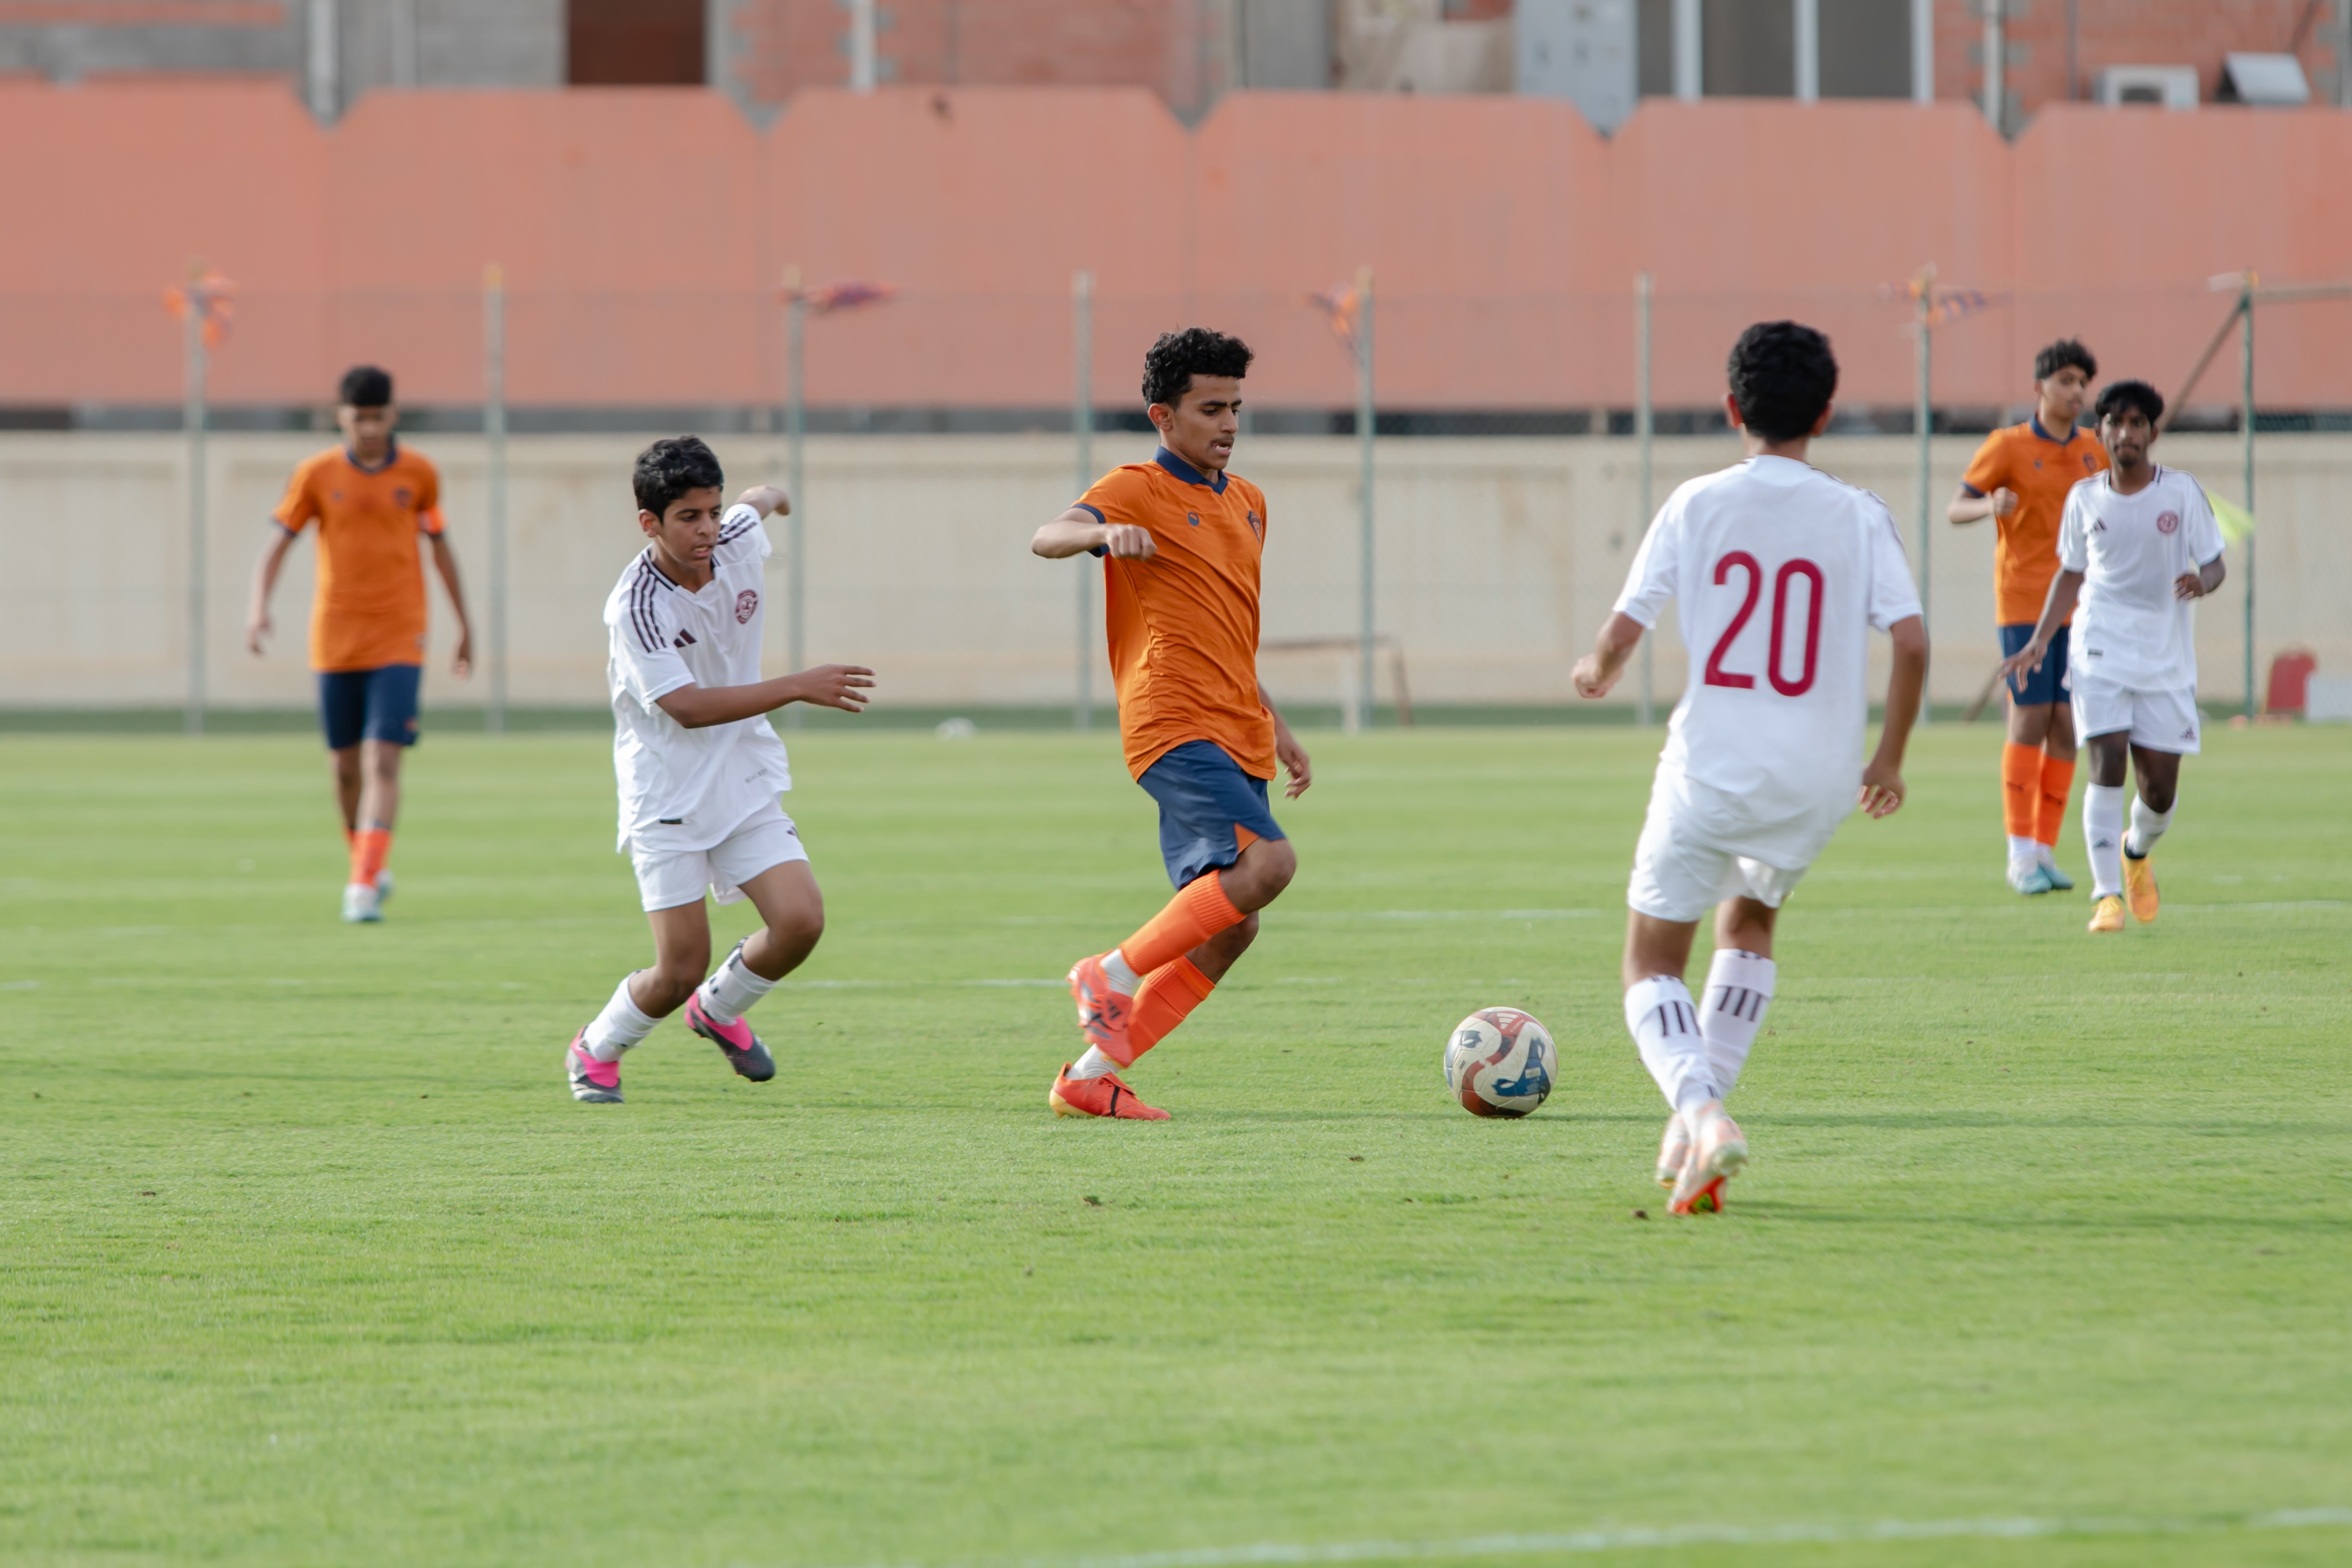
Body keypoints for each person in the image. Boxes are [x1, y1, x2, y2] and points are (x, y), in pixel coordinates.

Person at [1572, 321, 1928, 1215]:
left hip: (1710, 767)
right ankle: (1688, 1135)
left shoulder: (1696, 502)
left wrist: (1595, 668)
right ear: (1825, 413)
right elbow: (1912, 641)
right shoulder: (1859, 513)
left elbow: (1623, 628)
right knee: (1750, 925)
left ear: (1732, 407)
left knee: (1649, 959)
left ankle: (1700, 1110)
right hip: (1816, 779)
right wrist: (1887, 757)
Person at [1028, 328, 1312, 1120]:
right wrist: (1099, 534)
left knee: (1233, 927)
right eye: (1210, 408)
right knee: (1270, 865)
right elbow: (1045, 536)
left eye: (1235, 407)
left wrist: (1274, 722)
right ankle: (1108, 974)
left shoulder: (1249, 502)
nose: (1228, 424)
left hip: (1237, 725)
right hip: (1173, 719)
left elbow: (1226, 628)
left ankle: (1088, 1077)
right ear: (1164, 416)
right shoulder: (1135, 488)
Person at [564, 437, 875, 1105]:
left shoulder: (734, 536)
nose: (707, 528)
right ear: (649, 522)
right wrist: (797, 685)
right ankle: (597, 1046)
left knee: (801, 921)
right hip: (666, 792)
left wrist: (774, 499)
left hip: (741, 776)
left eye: (712, 511)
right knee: (679, 966)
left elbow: (759, 500)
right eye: (688, 517)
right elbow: (686, 707)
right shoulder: (637, 605)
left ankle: (718, 1007)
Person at [246, 365, 473, 922]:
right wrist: (258, 608)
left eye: (378, 417)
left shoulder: (419, 474)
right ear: (340, 416)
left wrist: (465, 625)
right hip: (335, 637)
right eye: (359, 417)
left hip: (400, 634)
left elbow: (440, 547)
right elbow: (277, 545)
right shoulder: (316, 474)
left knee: (383, 758)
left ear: (392, 414)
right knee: (344, 768)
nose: (370, 428)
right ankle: (366, 860)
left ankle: (363, 882)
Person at [1999, 381, 2224, 935]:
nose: (2125, 433)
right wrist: (2040, 639)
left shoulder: (2181, 493)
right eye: (2115, 423)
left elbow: (2215, 561)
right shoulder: (2084, 498)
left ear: (2152, 432)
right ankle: (2106, 896)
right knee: (2106, 763)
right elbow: (2070, 574)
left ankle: (2135, 850)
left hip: (2165, 657)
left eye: (2136, 423)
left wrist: (2203, 581)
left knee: (2159, 792)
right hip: (2098, 647)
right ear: (2099, 432)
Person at [1949, 340, 2109, 895]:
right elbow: (1955, 507)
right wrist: (1986, 506)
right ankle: (2018, 854)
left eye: (2082, 382)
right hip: (2023, 602)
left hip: (2081, 607)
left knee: (2067, 726)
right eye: (2065, 380)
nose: (2076, 391)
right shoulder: (2008, 446)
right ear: (2039, 386)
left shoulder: (2094, 449)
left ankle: (2044, 849)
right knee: (2030, 718)